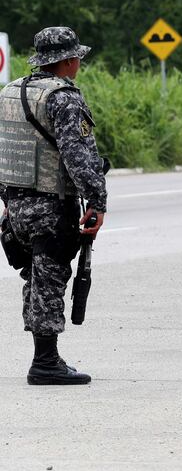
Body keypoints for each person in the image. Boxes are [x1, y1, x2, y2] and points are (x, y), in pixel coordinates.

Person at [0, 27, 107, 385]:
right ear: (69, 60)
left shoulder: (10, 91)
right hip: (49, 205)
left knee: (35, 277)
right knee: (49, 280)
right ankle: (45, 363)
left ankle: (46, 356)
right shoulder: (64, 98)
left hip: (15, 207)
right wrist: (96, 201)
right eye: (77, 57)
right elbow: (79, 157)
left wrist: (7, 201)